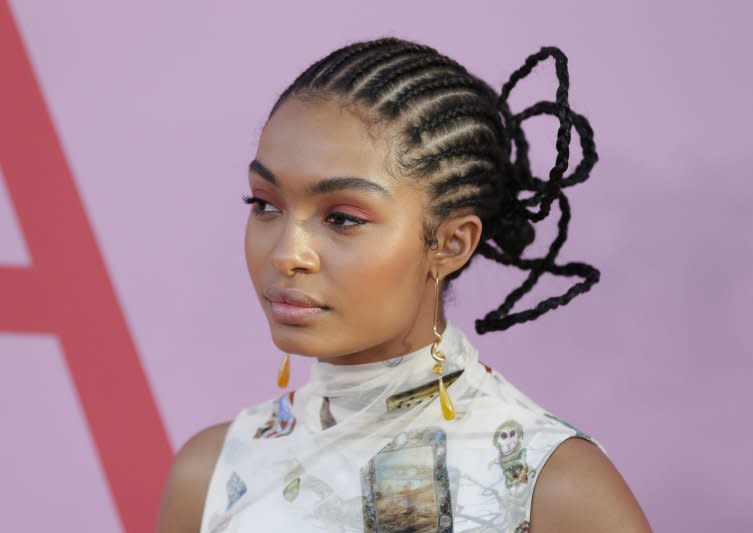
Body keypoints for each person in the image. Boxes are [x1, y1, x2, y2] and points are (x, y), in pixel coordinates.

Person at [157, 36, 652, 532]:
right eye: (265, 204)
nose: (288, 254)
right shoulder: (210, 475)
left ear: (452, 243)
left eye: (343, 218)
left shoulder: (555, 490)